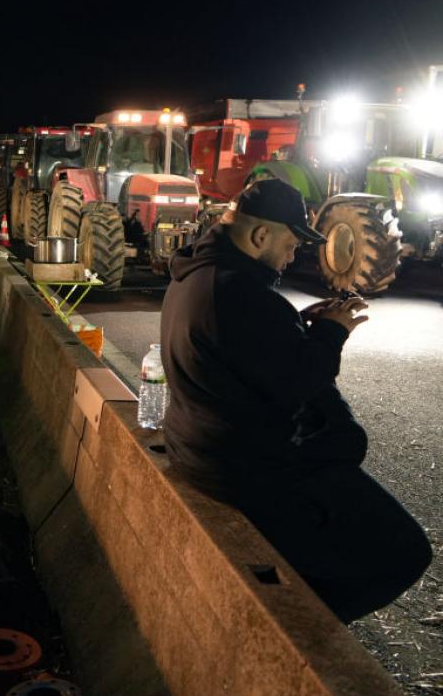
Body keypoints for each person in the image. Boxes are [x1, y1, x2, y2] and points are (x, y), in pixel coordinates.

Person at [160, 179, 431, 623]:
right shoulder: (239, 292)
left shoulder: (198, 275)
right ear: (261, 236)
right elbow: (301, 381)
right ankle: (303, 628)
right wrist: (332, 332)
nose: (293, 256)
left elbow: (250, 354)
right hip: (248, 470)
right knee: (406, 550)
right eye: (290, 244)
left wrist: (296, 328)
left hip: (202, 450)